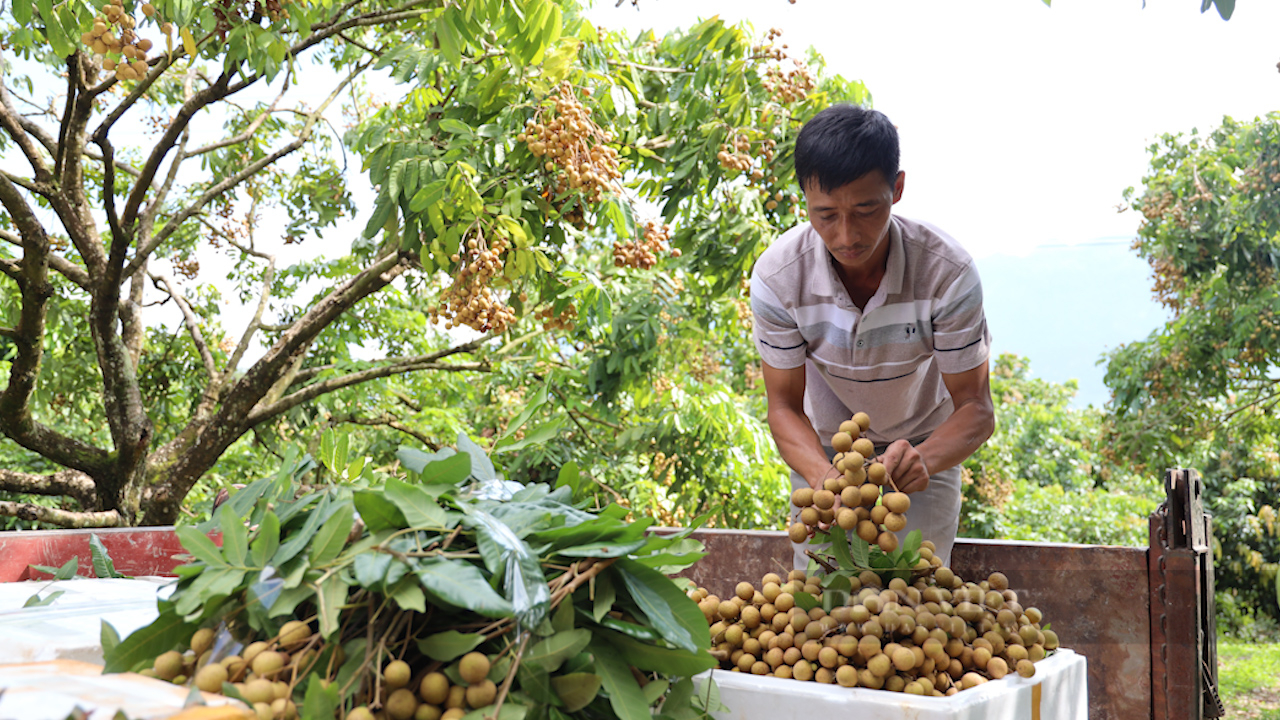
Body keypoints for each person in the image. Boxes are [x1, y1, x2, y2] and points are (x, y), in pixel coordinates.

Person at [749, 104, 995, 569]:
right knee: (822, 611)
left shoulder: (947, 273)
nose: (846, 235)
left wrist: (925, 457)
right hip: (825, 451)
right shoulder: (779, 277)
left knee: (916, 601)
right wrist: (824, 480)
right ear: (803, 198)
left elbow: (977, 409)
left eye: (866, 209)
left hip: (925, 446)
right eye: (825, 215)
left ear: (897, 189)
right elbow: (782, 407)